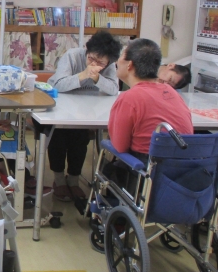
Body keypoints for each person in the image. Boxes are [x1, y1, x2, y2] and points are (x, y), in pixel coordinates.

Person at [47, 31, 122, 201]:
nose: (94, 64)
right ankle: (59, 180)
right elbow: (58, 85)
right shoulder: (72, 56)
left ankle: (73, 180)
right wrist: (83, 75)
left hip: (85, 110)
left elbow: (113, 89)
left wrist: (97, 78)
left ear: (108, 62)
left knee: (80, 137)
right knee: (58, 134)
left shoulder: (109, 65)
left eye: (100, 63)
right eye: (91, 58)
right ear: (87, 51)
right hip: (60, 106)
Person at [110, 38, 193, 160]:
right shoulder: (172, 92)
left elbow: (120, 147)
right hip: (183, 165)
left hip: (149, 166)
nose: (117, 61)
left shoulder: (129, 98)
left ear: (130, 65)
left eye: (122, 56)